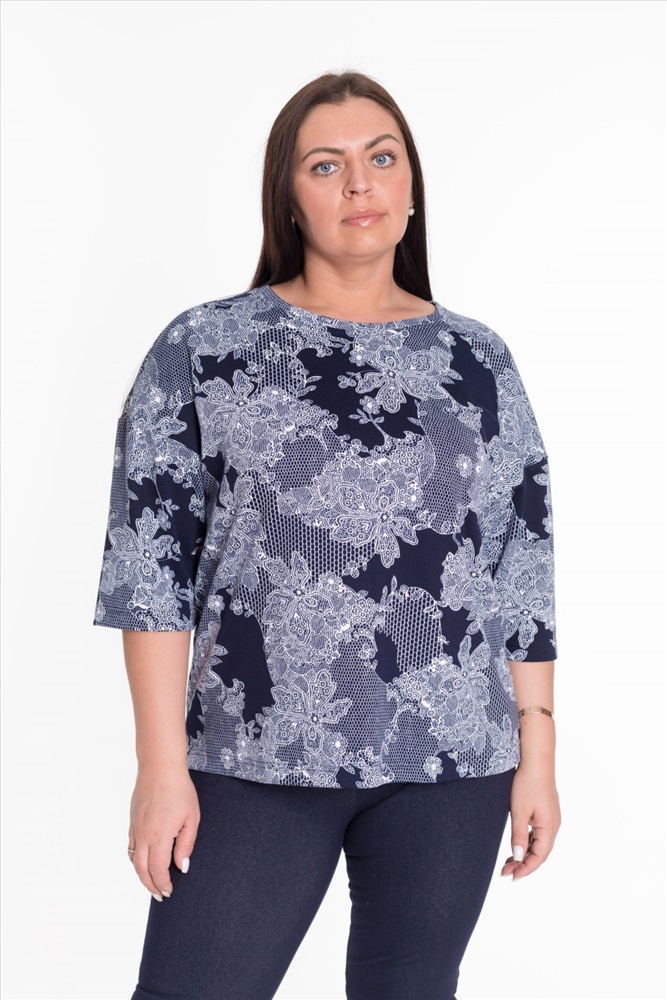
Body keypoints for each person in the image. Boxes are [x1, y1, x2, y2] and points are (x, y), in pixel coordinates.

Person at [94, 71, 560, 1000]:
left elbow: (521, 562)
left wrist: (537, 754)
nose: (358, 183)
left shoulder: (477, 359)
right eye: (325, 164)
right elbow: (149, 567)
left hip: (452, 759)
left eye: (381, 158)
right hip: (252, 753)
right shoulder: (204, 347)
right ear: (288, 196)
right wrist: (160, 769)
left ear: (411, 185)